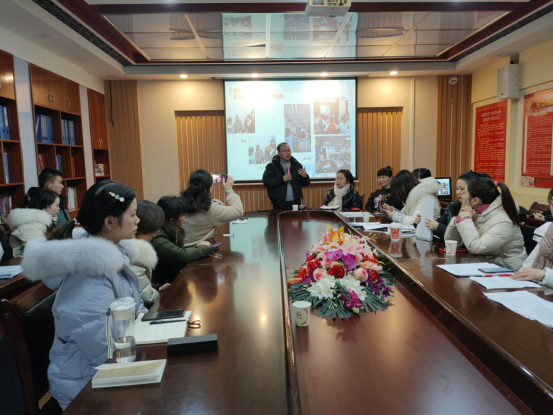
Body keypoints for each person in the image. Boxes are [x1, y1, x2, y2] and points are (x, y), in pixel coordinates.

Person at [21, 181, 147, 410]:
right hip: (85, 387)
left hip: (106, 370)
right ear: (110, 221)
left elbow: (134, 310)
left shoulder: (112, 253)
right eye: (132, 214)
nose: (138, 220)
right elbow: (104, 350)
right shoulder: (89, 275)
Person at [444, 178, 527, 271]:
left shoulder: (504, 221)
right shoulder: (475, 211)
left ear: (475, 200)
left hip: (507, 270)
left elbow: (476, 248)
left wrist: (465, 219)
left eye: (464, 193)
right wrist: (459, 218)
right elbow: (451, 242)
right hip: (484, 264)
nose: (461, 196)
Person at [151, 196, 214, 285]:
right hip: (161, 285)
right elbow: (180, 255)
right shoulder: (158, 236)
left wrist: (197, 247)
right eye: (182, 215)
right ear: (172, 220)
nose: (184, 217)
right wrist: (204, 248)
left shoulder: (168, 230)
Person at [181, 169, 244, 245]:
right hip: (198, 249)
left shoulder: (182, 202)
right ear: (209, 189)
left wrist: (207, 182)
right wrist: (229, 190)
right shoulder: (210, 209)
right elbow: (238, 210)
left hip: (182, 247)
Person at [423, 171, 489, 240]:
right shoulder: (452, 207)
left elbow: (463, 236)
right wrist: (423, 222)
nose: (458, 192)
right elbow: (438, 222)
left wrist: (438, 227)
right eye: (457, 188)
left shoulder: (478, 211)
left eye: (462, 189)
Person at [133, 200, 167, 307]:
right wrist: (161, 293)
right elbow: (146, 297)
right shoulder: (134, 255)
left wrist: (156, 289)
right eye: (154, 230)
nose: (154, 235)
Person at [7, 187, 59, 257]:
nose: (59, 208)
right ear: (47, 206)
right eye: (57, 205)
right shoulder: (32, 226)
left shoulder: (43, 222)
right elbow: (36, 253)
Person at [262, 142, 310, 209]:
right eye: (284, 151)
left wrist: (305, 176)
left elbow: (305, 183)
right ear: (279, 153)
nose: (287, 153)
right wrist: (282, 179)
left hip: (295, 202)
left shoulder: (296, 165)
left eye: (289, 150)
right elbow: (267, 182)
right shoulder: (272, 166)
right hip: (279, 204)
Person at [510, 222, 553, 287]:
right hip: (537, 286)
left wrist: (545, 275)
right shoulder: (548, 230)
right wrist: (520, 276)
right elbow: (530, 262)